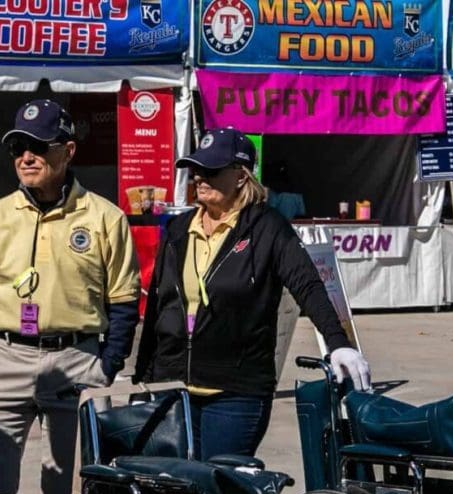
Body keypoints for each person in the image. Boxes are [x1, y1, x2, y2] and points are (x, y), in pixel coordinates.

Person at [134, 127, 370, 461]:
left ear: (241, 177)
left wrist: (338, 342)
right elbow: (161, 302)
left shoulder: (267, 228)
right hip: (173, 387)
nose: (200, 177)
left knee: (222, 493)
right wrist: (145, 372)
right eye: (197, 168)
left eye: (212, 170)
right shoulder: (178, 229)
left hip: (236, 391)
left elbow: (308, 285)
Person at [0, 99, 140, 494]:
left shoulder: (105, 218)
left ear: (68, 151)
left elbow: (124, 301)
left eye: (39, 146)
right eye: (18, 146)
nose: (26, 156)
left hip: (77, 361)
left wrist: (107, 365)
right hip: (2, 359)